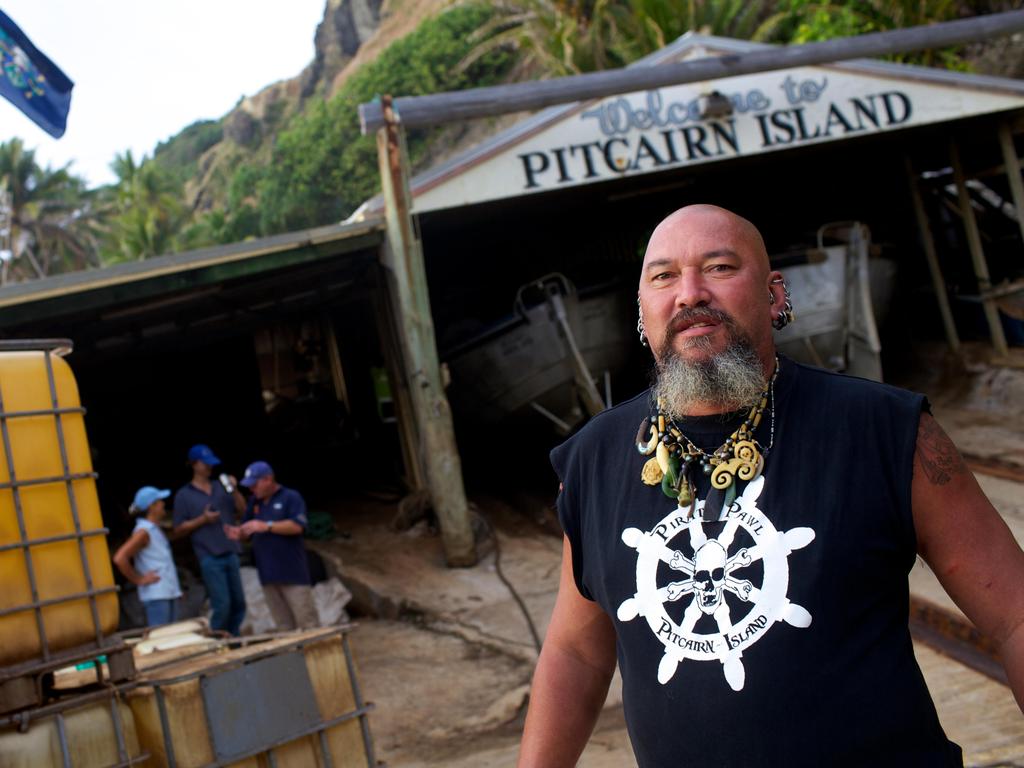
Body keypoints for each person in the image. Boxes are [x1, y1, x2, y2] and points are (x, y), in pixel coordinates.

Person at [518, 205, 1024, 767]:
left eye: (718, 267)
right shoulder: (594, 459)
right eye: (664, 276)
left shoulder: (885, 430)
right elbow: (576, 655)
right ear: (643, 313)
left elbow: (1016, 617)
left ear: (774, 295)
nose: (689, 294)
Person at [226, 461, 318, 631]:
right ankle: (292, 657)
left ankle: (319, 656)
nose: (252, 489)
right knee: (283, 627)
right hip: (268, 575)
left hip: (293, 574)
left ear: (268, 479)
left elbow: (297, 526)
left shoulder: (291, 497)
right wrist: (240, 533)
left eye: (255, 485)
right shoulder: (255, 503)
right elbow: (248, 531)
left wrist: (267, 525)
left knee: (308, 623)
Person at [173, 443, 246, 636]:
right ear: (195, 465)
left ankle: (234, 642)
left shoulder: (220, 487)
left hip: (230, 550)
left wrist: (234, 490)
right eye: (205, 464)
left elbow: (242, 510)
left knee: (239, 603)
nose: (209, 467)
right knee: (222, 604)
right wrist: (202, 520)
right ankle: (217, 642)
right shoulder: (184, 495)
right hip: (209, 556)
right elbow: (178, 529)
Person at [113, 486, 182, 627]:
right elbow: (120, 558)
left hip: (166, 591)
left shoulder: (152, 529)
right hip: (157, 595)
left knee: (171, 636)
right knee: (161, 638)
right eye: (160, 501)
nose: (163, 504)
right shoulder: (143, 532)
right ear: (152, 506)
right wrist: (139, 579)